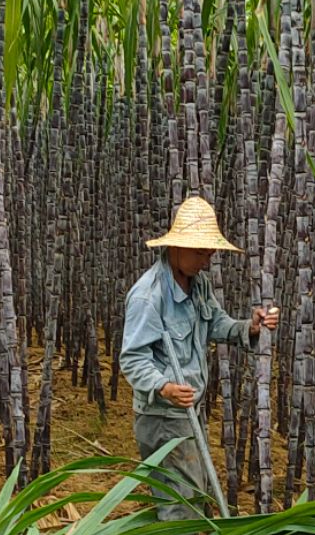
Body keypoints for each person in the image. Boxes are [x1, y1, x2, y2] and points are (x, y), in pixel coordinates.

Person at [119, 195, 278, 517]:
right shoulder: (149, 296)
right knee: (183, 504)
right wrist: (164, 387)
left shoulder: (198, 284)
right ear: (177, 246)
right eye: (200, 253)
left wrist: (250, 327)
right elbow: (133, 358)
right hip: (163, 416)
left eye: (210, 253)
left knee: (195, 492)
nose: (207, 261)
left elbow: (216, 324)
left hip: (190, 411)